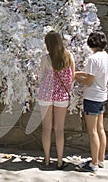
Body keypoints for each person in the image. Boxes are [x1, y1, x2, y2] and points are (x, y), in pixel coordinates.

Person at [37, 31, 75, 170]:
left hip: (46, 95)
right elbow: (72, 77)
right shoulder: (69, 56)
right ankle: (59, 160)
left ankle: (46, 159)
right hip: (61, 96)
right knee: (59, 129)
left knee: (46, 128)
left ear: (48, 44)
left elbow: (41, 76)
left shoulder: (45, 59)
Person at [75, 31, 108, 173]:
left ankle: (93, 164)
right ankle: (101, 159)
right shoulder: (106, 57)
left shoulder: (93, 59)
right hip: (102, 96)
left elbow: (89, 81)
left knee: (92, 131)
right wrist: (78, 73)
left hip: (92, 97)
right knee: (101, 129)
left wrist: (76, 78)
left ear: (91, 43)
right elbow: (94, 75)